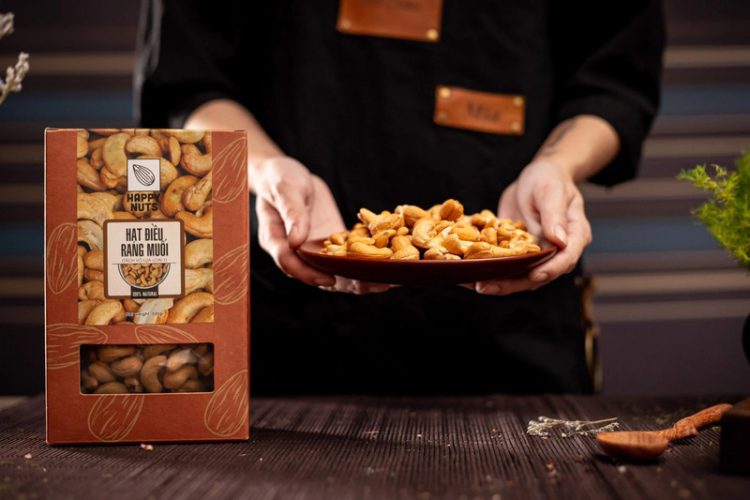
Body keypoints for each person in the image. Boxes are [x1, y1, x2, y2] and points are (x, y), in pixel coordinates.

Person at [136, 0, 665, 395]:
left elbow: (614, 81)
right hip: (296, 323)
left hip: (513, 332)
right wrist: (267, 170)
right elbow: (187, 81)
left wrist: (557, 166)